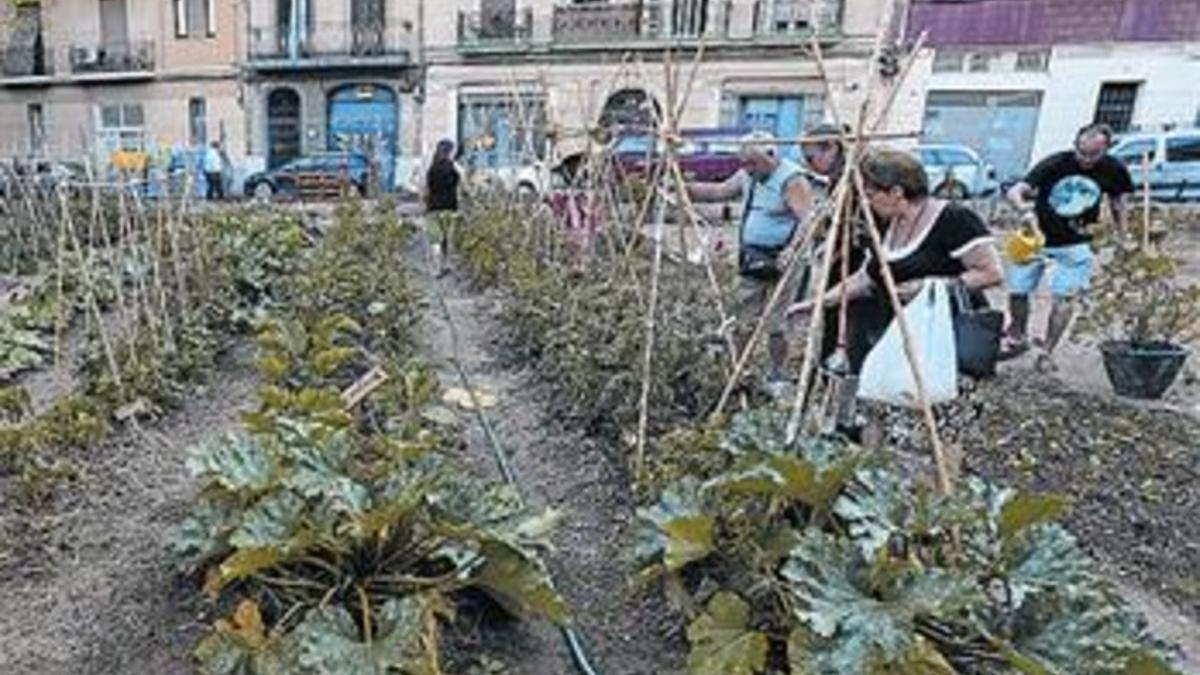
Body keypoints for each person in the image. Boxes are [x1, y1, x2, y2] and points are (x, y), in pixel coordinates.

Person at [787, 149, 1004, 406]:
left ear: (896, 192)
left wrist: (931, 288)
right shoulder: (885, 224)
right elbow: (865, 278)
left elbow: (991, 273)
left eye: (870, 195)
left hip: (938, 338)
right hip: (891, 337)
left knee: (930, 411)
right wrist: (818, 302)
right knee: (883, 406)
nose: (866, 203)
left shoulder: (955, 220)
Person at [687, 130, 815, 395]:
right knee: (744, 314)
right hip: (754, 256)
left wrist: (791, 250)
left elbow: (807, 219)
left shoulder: (792, 179)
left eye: (752, 163)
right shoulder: (748, 174)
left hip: (784, 259)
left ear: (771, 155)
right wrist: (686, 187)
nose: (747, 168)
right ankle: (738, 369)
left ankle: (777, 374)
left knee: (778, 321)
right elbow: (721, 190)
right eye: (744, 163)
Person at [1003, 123, 1132, 371]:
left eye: (1092, 155)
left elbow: (1118, 204)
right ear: (1075, 144)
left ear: (1106, 149)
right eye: (1080, 152)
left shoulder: (1114, 169)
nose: (1084, 159)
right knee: (1017, 290)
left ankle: (1047, 352)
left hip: (1076, 243)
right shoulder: (1055, 163)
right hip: (1036, 239)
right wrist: (1023, 209)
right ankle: (1018, 334)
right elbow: (1016, 191)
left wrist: (1122, 237)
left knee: (1065, 298)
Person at [425, 138, 462, 277]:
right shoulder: (453, 167)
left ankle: (436, 268)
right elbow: (462, 183)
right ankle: (446, 264)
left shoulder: (431, 167)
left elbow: (425, 187)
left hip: (433, 207)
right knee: (447, 239)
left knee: (435, 240)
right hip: (450, 207)